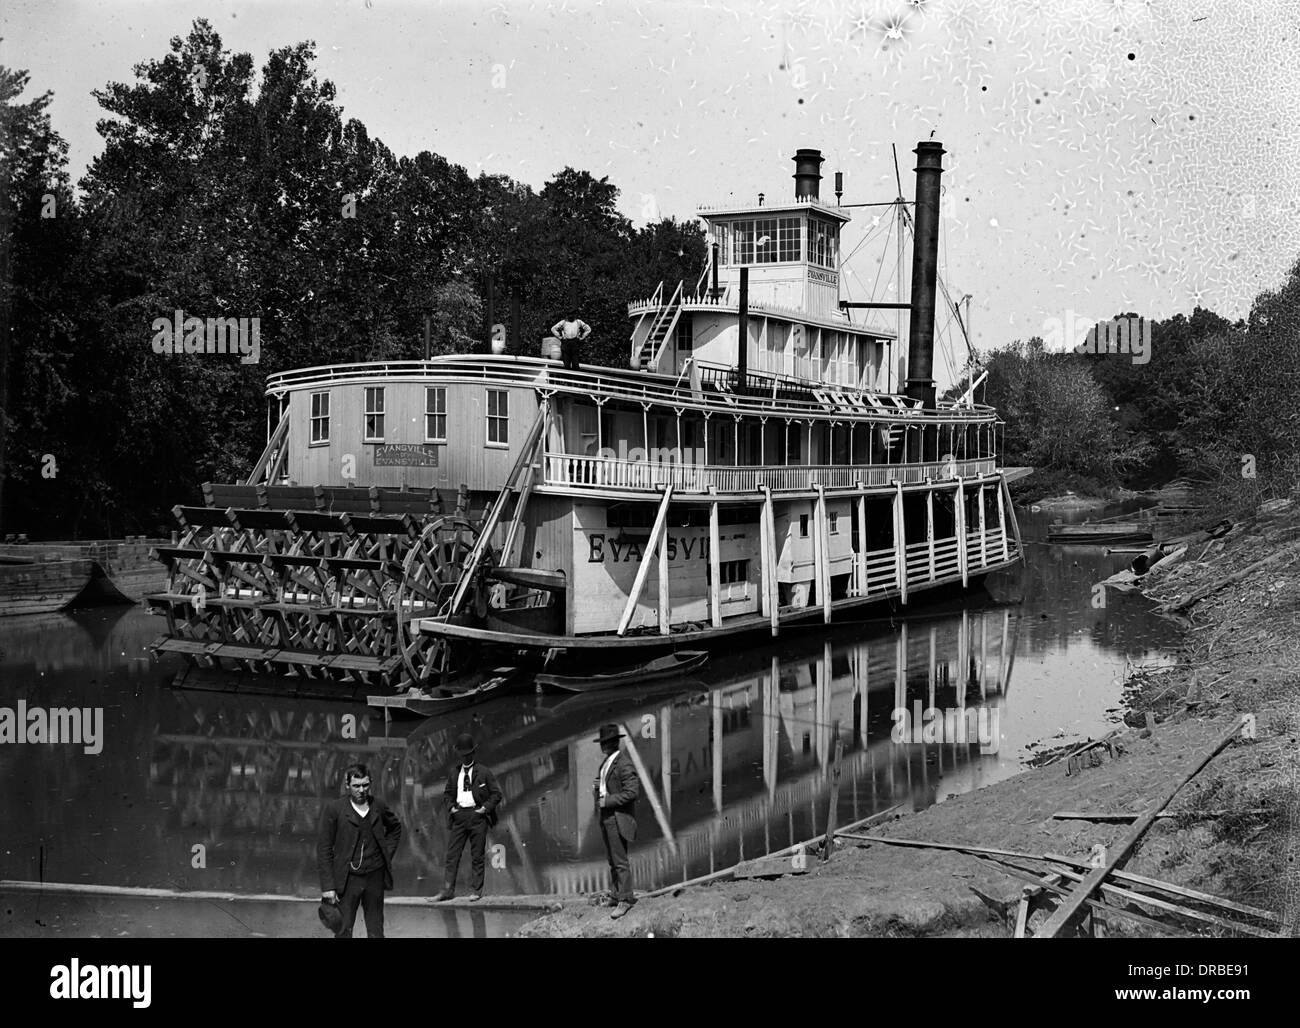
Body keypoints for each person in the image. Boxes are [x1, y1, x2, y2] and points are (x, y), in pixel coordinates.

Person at [317, 763, 403, 938]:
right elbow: (324, 849)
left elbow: (395, 828)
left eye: (365, 785)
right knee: (343, 930)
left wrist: (386, 853)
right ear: (347, 786)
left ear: (370, 783)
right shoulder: (335, 809)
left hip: (374, 877)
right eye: (356, 786)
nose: (361, 790)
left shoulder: (378, 805)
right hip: (348, 880)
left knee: (376, 930)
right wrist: (328, 887)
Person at [434, 733, 503, 902]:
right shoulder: (454, 773)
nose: (465, 758)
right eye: (462, 755)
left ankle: (476, 891)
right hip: (459, 817)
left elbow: (496, 794)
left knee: (477, 855)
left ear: (473, 753)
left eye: (468, 754)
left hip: (477, 816)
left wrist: (484, 809)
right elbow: (447, 794)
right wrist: (452, 809)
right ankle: (447, 890)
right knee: (452, 855)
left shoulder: (484, 772)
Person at [593, 723, 639, 919]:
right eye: (603, 742)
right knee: (612, 859)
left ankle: (625, 900)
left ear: (615, 743)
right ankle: (615, 894)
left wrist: (608, 801)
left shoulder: (624, 763)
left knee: (620, 860)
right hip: (606, 816)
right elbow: (607, 784)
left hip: (617, 816)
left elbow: (632, 792)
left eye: (607, 742)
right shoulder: (606, 764)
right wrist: (598, 785)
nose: (604, 746)